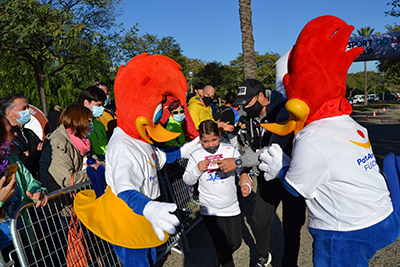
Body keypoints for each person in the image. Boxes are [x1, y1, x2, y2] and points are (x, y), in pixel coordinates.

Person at [235, 79, 306, 267]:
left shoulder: (283, 111)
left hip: (290, 176)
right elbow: (251, 147)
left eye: (247, 103)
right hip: (268, 177)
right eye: (241, 104)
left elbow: (271, 151)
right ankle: (263, 256)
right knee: (259, 220)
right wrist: (244, 170)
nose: (244, 109)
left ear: (261, 97)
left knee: (292, 226)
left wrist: (237, 162)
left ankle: (289, 263)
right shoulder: (249, 116)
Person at [183, 120, 243, 267]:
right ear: (200, 140)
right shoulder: (196, 154)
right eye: (206, 141)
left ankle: (222, 257)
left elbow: (242, 170)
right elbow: (187, 180)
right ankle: (223, 259)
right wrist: (197, 169)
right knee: (221, 245)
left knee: (236, 243)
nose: (210, 145)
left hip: (231, 205)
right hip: (209, 208)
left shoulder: (230, 149)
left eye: (214, 140)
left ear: (219, 135)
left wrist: (245, 182)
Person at [0, 114, 48, 260]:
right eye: (10, 131)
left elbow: (30, 182)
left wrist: (38, 192)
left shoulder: (12, 160)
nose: (15, 133)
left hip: (19, 237)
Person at [39, 103, 102, 193]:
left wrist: (100, 166)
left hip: (77, 195)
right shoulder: (58, 142)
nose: (91, 125)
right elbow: (68, 180)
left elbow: (97, 161)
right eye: (88, 121)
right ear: (78, 121)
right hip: (59, 199)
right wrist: (92, 171)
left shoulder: (84, 141)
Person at [0, 94, 43, 180]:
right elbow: (23, 162)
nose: (28, 111)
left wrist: (29, 154)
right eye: (24, 108)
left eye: (28, 107)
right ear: (9, 113)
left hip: (36, 183)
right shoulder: (6, 137)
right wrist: (36, 153)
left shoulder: (30, 133)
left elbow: (44, 154)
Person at [82, 86, 109, 160]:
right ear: (86, 103)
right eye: (98, 105)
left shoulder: (100, 125)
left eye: (103, 105)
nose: (102, 108)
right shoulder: (79, 125)